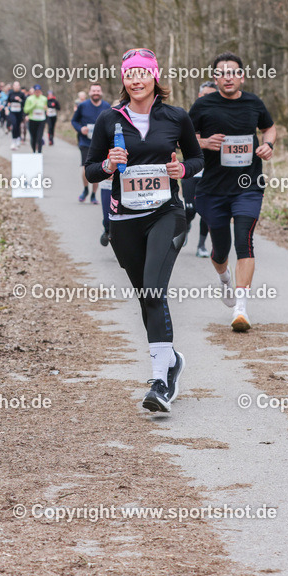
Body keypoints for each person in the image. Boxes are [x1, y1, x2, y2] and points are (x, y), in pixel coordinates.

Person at [85, 49, 203, 413]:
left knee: (153, 289)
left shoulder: (176, 116)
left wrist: (183, 170)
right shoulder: (109, 119)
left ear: (155, 76)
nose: (136, 79)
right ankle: (170, 361)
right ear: (123, 79)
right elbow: (90, 170)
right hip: (124, 221)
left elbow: (197, 158)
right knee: (146, 297)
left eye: (143, 73)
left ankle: (159, 382)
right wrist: (108, 165)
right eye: (130, 74)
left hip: (165, 213)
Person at [189, 52, 276, 332]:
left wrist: (268, 145)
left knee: (244, 240)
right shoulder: (202, 105)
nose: (228, 77)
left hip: (248, 186)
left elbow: (269, 128)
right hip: (213, 189)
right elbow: (183, 139)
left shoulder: (254, 103)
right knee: (220, 250)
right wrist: (204, 143)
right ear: (215, 78)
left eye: (234, 72)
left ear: (242, 76)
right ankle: (224, 277)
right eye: (222, 73)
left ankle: (241, 309)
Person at [183, 81, 216, 258]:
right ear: (199, 96)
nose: (209, 99)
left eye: (213, 95)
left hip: (212, 171)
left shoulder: (221, 118)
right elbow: (181, 141)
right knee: (190, 209)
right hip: (192, 169)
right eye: (206, 95)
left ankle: (201, 245)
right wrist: (205, 142)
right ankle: (186, 225)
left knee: (207, 211)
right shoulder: (191, 115)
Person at [71, 83, 110, 205]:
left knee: (97, 168)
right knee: (85, 167)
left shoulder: (107, 106)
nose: (96, 93)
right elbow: (74, 121)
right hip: (85, 141)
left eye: (98, 91)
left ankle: (93, 194)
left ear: (101, 92)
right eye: (93, 91)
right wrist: (80, 129)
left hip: (100, 144)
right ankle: (85, 189)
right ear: (89, 93)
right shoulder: (83, 106)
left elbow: (110, 123)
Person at [23, 84, 48, 154]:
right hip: (32, 120)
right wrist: (33, 106)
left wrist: (46, 109)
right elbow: (25, 110)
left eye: (38, 91)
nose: (37, 92)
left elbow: (46, 109)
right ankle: (34, 151)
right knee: (33, 137)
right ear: (34, 91)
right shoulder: (29, 99)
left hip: (41, 120)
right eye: (36, 91)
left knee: (39, 137)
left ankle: (39, 152)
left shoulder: (44, 99)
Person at [7, 81, 26, 150]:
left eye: (18, 85)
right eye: (15, 85)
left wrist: (20, 100)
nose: (16, 87)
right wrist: (7, 108)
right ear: (13, 86)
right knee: (14, 125)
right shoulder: (11, 93)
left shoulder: (22, 94)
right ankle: (13, 140)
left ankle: (18, 138)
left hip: (19, 112)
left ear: (19, 86)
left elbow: (25, 103)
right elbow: (8, 101)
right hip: (12, 112)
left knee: (18, 126)